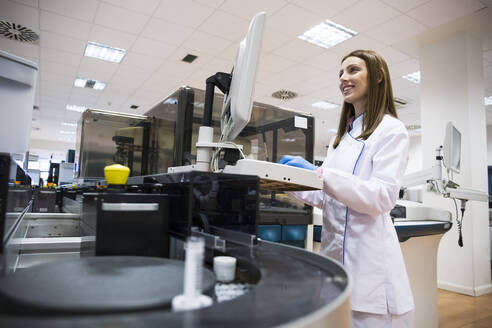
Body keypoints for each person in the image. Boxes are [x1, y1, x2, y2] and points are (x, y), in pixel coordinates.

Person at [279, 49, 414, 328]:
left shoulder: (391, 130)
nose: (343, 78)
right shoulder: (341, 138)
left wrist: (320, 174)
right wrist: (288, 181)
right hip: (334, 264)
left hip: (372, 274)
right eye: (341, 73)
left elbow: (382, 197)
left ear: (377, 76)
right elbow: (327, 196)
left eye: (352, 70)